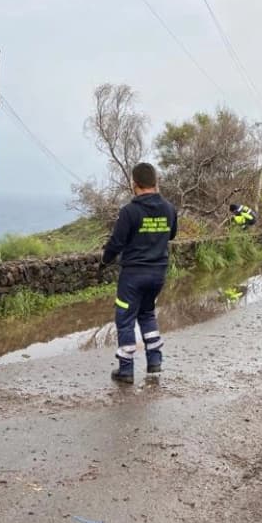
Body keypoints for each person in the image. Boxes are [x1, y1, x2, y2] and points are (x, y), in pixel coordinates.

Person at [101, 163, 177, 384]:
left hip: (133, 276)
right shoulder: (169, 209)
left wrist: (105, 260)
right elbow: (171, 234)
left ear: (135, 184)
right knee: (146, 314)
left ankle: (125, 370)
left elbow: (116, 242)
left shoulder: (129, 211)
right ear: (156, 182)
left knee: (124, 319)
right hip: (157, 275)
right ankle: (155, 361)